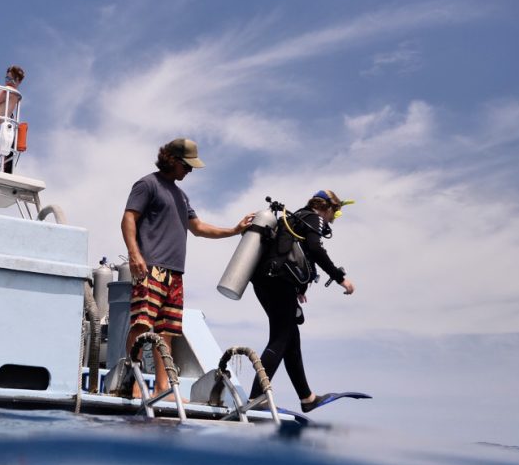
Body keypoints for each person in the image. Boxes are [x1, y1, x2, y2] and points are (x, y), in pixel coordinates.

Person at [121, 138, 254, 399]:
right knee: (141, 325)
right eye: (187, 165)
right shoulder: (147, 184)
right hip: (151, 268)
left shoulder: (182, 196)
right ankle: (132, 381)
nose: (190, 171)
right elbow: (128, 218)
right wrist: (134, 254)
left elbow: (199, 228)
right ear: (172, 160)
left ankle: (162, 387)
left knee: (167, 332)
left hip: (175, 274)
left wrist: (235, 230)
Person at [249, 189, 355, 412]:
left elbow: (288, 252)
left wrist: (298, 287)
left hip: (265, 281)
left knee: (290, 339)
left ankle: (307, 397)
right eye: (334, 213)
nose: (332, 220)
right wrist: (340, 278)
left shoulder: (295, 219)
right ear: (326, 207)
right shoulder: (313, 217)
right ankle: (256, 399)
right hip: (278, 283)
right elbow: (315, 249)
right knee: (280, 338)